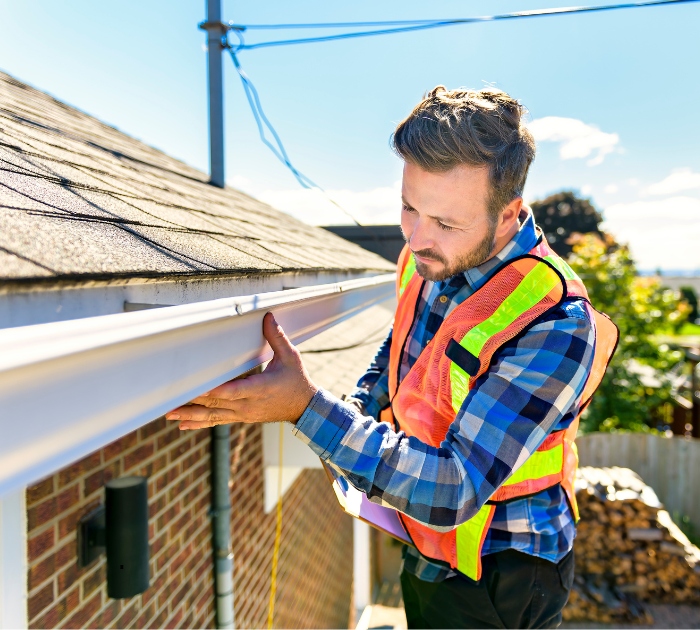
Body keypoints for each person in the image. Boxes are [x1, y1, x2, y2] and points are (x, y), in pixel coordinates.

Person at [166, 86, 617, 629]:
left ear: (508, 215)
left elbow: (452, 490)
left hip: (502, 567)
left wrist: (305, 408)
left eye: (446, 223)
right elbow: (402, 347)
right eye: (409, 207)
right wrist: (358, 403)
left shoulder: (555, 323)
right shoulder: (428, 256)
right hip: (425, 540)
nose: (418, 237)